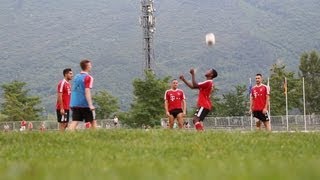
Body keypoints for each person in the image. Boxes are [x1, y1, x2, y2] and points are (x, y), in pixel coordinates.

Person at [68, 59, 96, 130]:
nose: (91, 66)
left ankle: (67, 136)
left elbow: (74, 89)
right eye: (90, 65)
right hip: (84, 103)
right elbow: (87, 91)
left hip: (75, 103)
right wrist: (90, 105)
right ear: (87, 67)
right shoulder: (89, 77)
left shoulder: (76, 76)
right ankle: (96, 137)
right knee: (92, 121)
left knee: (75, 121)